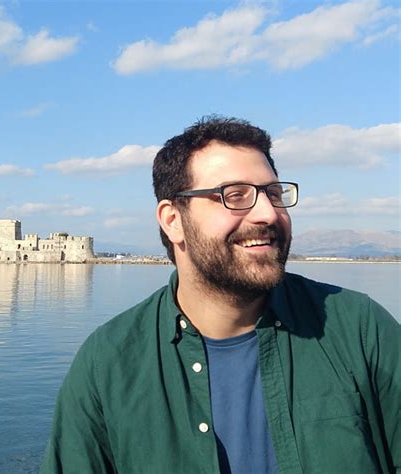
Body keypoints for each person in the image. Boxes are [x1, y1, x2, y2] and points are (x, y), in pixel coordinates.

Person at [41, 116, 400, 473]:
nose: (268, 213)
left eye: (274, 194)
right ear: (173, 221)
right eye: (235, 195)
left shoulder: (359, 330)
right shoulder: (109, 363)